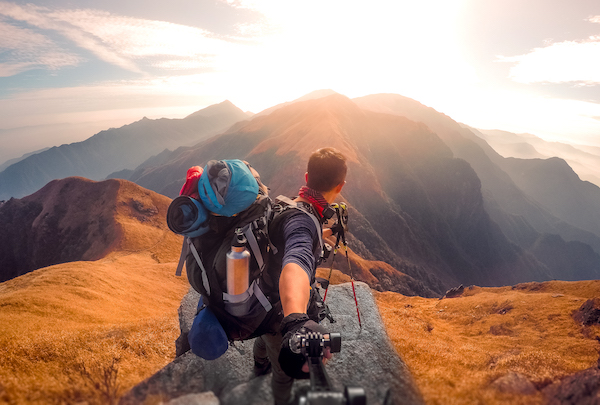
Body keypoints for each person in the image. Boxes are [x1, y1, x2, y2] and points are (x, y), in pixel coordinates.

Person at [253, 147, 347, 405]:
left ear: (307, 178)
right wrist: (295, 320)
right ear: (340, 186)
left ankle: (259, 364)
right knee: (283, 375)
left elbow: (297, 238)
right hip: (280, 312)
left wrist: (326, 232)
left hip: (263, 295)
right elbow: (296, 263)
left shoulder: (289, 205)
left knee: (264, 339)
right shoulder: (304, 222)